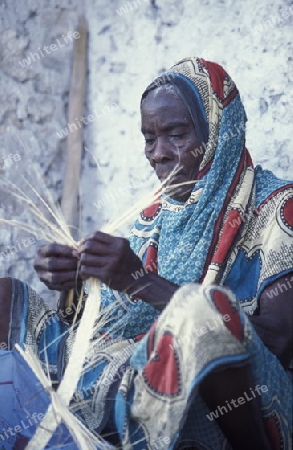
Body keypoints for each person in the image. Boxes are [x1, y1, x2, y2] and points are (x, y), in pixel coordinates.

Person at [0, 57, 292, 450]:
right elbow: (112, 321)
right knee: (3, 297)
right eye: (149, 139)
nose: (158, 153)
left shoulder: (278, 207)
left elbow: (282, 341)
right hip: (133, 374)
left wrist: (141, 281)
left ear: (219, 131)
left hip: (247, 400)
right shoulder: (154, 218)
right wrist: (79, 283)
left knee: (200, 311)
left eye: (175, 134)